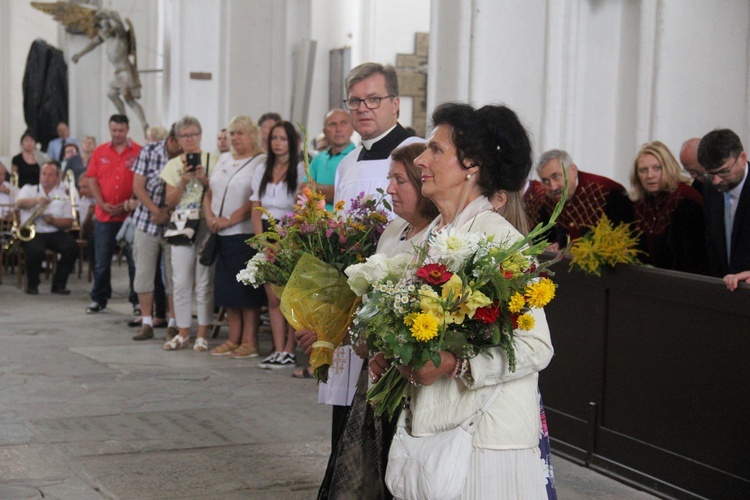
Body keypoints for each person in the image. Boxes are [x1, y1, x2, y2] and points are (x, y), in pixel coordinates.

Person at [370, 102, 554, 498]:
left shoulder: (498, 239)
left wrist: (458, 363)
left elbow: (537, 346)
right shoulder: (434, 235)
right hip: (437, 433)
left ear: (471, 164)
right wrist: (390, 354)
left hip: (486, 440)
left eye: (435, 150)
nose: (421, 158)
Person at [313, 142, 436, 499]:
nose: (390, 189)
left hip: (404, 376)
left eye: (400, 180)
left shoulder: (435, 239)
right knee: (361, 469)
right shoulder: (393, 231)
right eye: (389, 179)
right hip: (374, 369)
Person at [206, 116, 267, 357]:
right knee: (227, 290)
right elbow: (209, 191)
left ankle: (249, 341)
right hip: (220, 233)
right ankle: (233, 339)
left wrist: (230, 219)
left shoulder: (259, 161)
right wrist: (209, 216)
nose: (235, 138)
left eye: (240, 133)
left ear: (251, 134)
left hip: (243, 234)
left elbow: (253, 199)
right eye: (232, 133)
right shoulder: (223, 158)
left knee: (245, 291)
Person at [250, 121, 305, 368]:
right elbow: (255, 206)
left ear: (291, 142)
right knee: (272, 297)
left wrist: (287, 241)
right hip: (266, 233)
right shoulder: (262, 168)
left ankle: (290, 350)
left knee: (288, 296)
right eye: (274, 138)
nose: (278, 143)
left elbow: (299, 208)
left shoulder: (300, 169)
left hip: (288, 235)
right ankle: (278, 348)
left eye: (283, 139)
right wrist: (260, 240)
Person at [160, 116, 217, 350]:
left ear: (201, 136)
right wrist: (183, 182)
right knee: (180, 280)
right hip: (182, 223)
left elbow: (221, 194)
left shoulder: (214, 160)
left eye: (194, 134)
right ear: (178, 140)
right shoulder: (173, 166)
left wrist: (205, 180)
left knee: (204, 281)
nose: (190, 139)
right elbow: (169, 202)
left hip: (204, 222)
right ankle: (183, 331)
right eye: (185, 136)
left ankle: (203, 332)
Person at [130, 124, 182, 341]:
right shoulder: (149, 151)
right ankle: (147, 322)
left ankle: (173, 323)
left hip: (175, 223)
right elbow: (138, 186)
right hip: (147, 220)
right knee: (144, 273)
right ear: (171, 139)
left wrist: (167, 212)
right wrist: (156, 210)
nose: (183, 145)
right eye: (180, 140)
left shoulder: (187, 157)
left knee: (174, 275)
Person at [85, 114, 141, 314]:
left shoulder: (138, 151)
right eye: (114, 130)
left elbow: (143, 180)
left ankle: (137, 300)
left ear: (127, 130)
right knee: (102, 260)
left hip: (130, 215)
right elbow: (91, 178)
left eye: (121, 131)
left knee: (134, 260)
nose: (117, 134)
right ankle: (99, 298)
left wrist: (130, 203)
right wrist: (102, 202)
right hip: (105, 214)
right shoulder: (100, 152)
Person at [630, 141, 708, 274]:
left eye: (657, 168)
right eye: (643, 170)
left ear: (668, 168)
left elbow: (691, 262)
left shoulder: (684, 199)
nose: (650, 176)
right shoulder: (640, 203)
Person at [534, 149, 634, 251]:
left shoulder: (608, 191)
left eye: (556, 177)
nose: (552, 187)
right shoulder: (547, 200)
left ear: (573, 170)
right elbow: (551, 237)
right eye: (545, 181)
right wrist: (554, 245)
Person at [71, 9, 149, 134]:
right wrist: (79, 55)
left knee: (129, 99)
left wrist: (104, 14)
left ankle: (143, 124)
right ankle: (124, 119)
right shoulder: (106, 38)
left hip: (125, 71)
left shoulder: (119, 35)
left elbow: (117, 22)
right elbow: (92, 44)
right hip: (118, 73)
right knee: (111, 94)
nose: (104, 30)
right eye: (102, 27)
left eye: (106, 26)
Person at [15, 162, 78, 295]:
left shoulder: (63, 195)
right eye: (44, 174)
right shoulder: (28, 189)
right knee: (35, 251)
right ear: (39, 176)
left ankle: (59, 285)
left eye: (50, 175)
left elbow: (69, 222)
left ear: (56, 178)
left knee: (71, 247)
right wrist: (37, 200)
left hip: (54, 231)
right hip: (33, 231)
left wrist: (54, 221)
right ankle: (32, 285)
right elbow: (19, 203)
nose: (46, 177)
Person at [698, 128, 750, 278]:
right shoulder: (710, 189)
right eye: (710, 174)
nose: (716, 181)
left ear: (742, 158)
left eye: (724, 172)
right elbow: (712, 243)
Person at [299, 108, 355, 211]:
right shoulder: (319, 158)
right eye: (333, 124)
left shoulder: (357, 157)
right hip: (316, 223)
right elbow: (303, 190)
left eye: (343, 123)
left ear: (352, 127)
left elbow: (349, 195)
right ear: (324, 131)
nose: (338, 129)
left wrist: (314, 188)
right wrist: (333, 191)